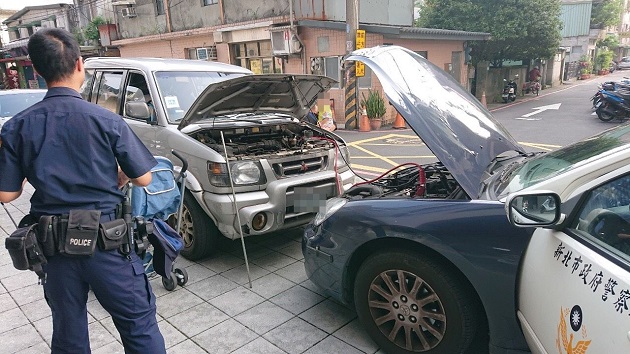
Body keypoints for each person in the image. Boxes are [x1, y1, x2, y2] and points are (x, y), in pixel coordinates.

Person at [0, 28, 166, 353]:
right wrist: (120, 175)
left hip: (54, 248)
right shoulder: (107, 120)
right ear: (79, 65)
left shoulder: (19, 125)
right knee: (138, 327)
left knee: (69, 332)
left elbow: (6, 195)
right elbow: (145, 178)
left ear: (36, 71)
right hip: (109, 244)